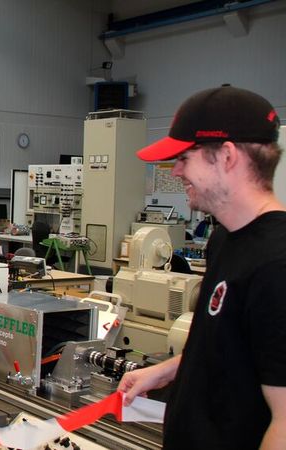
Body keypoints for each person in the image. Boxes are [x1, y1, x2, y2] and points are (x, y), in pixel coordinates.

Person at [118, 85, 286, 449]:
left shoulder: (277, 264)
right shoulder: (224, 239)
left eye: (184, 157)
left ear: (226, 156)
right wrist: (165, 371)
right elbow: (228, 346)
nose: (176, 171)